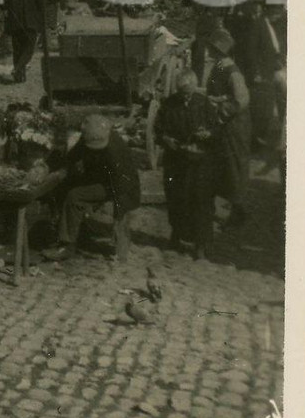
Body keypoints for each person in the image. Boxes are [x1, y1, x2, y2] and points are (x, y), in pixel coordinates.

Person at [44, 114, 140, 261]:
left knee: (75, 196)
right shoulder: (90, 135)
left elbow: (124, 185)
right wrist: (57, 170)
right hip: (99, 177)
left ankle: (67, 245)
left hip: (117, 186)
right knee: (63, 186)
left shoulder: (115, 151)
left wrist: (116, 213)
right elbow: (73, 157)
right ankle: (74, 230)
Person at [155, 70, 218, 258]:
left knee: (200, 201)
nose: (186, 96)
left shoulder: (204, 103)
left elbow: (216, 130)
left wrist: (207, 135)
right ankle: (176, 236)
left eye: (188, 92)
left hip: (199, 161)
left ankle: (201, 244)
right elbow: (158, 130)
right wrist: (166, 139)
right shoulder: (169, 104)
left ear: (194, 88)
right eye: (182, 93)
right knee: (176, 199)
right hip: (176, 160)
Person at [206, 29, 252, 227]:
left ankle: (239, 211)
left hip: (234, 125)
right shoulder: (219, 67)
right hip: (224, 124)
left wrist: (221, 108)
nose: (208, 51)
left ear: (219, 50)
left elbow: (242, 100)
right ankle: (232, 207)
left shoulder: (232, 72)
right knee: (224, 166)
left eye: (212, 48)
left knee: (235, 166)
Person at [2, 0, 42, 84]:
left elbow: (4, 5)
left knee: (17, 49)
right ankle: (18, 68)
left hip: (15, 23)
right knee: (29, 49)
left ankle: (19, 77)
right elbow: (40, 5)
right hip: (30, 23)